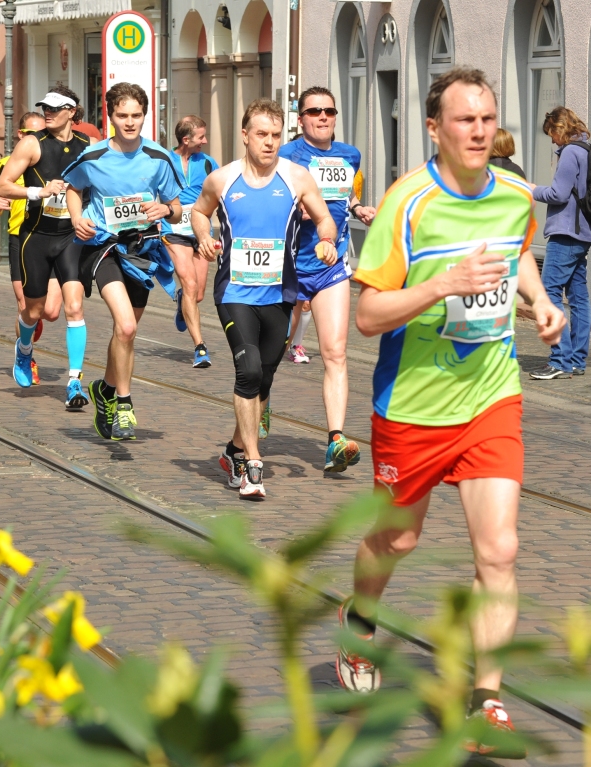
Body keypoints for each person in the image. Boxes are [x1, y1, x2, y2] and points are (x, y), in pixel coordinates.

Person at [340, 67, 565, 759]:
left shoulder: (514, 195)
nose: (477, 130)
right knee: (397, 542)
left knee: (498, 550)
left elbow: (518, 256)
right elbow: (367, 316)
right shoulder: (406, 203)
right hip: (411, 407)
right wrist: (441, 283)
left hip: (489, 394)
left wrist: (537, 302)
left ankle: (485, 697)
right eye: (463, 119)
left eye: (486, 118)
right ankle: (361, 615)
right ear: (433, 128)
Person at [193, 99, 337, 498]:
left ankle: (233, 451)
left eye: (276, 135)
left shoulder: (297, 178)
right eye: (261, 135)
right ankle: (254, 462)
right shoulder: (223, 179)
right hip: (234, 292)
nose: (270, 143)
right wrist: (205, 238)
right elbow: (199, 212)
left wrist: (326, 240)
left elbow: (324, 218)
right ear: (245, 135)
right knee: (249, 371)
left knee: (265, 380)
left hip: (279, 294)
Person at [62, 82, 184, 439]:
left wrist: (165, 209)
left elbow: (177, 207)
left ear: (145, 116)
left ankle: (106, 390)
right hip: (103, 247)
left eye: (137, 115)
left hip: (142, 252)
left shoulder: (160, 158)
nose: (130, 122)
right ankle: (125, 402)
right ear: (110, 116)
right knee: (127, 326)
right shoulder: (94, 157)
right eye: (122, 115)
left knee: (124, 333)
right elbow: (72, 188)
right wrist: (76, 218)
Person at [278, 86, 376, 473]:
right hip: (284, 265)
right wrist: (295, 210)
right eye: (314, 111)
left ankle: (335, 439)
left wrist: (357, 207)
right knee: (267, 358)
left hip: (329, 264)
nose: (323, 117)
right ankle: (258, 409)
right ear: (300, 118)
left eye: (329, 111)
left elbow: (343, 195)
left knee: (335, 353)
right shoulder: (287, 154)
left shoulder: (349, 155)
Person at [0, 86, 93, 409]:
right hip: (36, 237)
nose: (47, 112)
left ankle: (75, 380)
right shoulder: (32, 144)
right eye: (44, 108)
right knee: (35, 312)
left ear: (72, 112)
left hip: (71, 237)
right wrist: (38, 192)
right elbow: (2, 185)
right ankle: (24, 351)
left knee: (73, 308)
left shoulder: (88, 145)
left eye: (54, 108)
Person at [0, 112, 57, 384]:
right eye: (34, 133)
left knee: (51, 311)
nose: (40, 138)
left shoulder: (55, 158)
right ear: (20, 135)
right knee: (26, 305)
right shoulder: (9, 163)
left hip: (51, 236)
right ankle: (26, 356)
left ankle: (27, 333)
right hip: (20, 237)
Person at [529, 107, 591, 380]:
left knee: (549, 292)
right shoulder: (587, 148)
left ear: (560, 129)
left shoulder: (570, 152)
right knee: (579, 298)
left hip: (566, 232)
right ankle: (577, 359)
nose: (552, 140)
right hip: (584, 233)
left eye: (552, 134)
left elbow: (558, 193)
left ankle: (561, 360)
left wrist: (532, 189)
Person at [162, 115, 219, 368]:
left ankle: (182, 300)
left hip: (201, 230)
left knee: (197, 293)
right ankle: (200, 347)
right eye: (201, 137)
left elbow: (223, 193)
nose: (205, 141)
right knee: (190, 281)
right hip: (172, 228)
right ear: (186, 140)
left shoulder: (208, 163)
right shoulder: (163, 160)